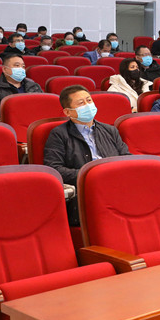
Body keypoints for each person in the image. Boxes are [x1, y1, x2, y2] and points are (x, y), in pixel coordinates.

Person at [44, 86, 130, 224]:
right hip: (86, 190)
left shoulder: (110, 130)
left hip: (117, 185)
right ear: (68, 112)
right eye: (81, 103)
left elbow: (127, 159)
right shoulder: (58, 134)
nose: (87, 105)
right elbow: (54, 168)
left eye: (89, 100)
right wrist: (90, 175)